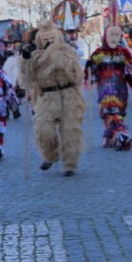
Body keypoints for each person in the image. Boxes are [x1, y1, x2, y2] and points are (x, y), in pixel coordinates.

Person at [18, 20, 86, 177]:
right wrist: (25, 59)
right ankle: (51, 156)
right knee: (44, 130)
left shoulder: (68, 52)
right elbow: (27, 78)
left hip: (69, 95)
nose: (49, 41)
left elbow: (75, 73)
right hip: (47, 97)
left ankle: (70, 164)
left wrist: (53, 53)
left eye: (52, 38)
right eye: (45, 38)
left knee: (71, 132)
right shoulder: (36, 57)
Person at [85, 24, 132, 151]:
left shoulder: (124, 52)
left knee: (119, 112)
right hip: (105, 88)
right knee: (110, 111)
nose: (114, 38)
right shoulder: (98, 53)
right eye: (111, 35)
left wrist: (131, 72)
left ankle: (110, 134)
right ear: (105, 36)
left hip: (121, 88)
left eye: (116, 35)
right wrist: (89, 69)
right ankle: (121, 135)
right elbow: (91, 69)